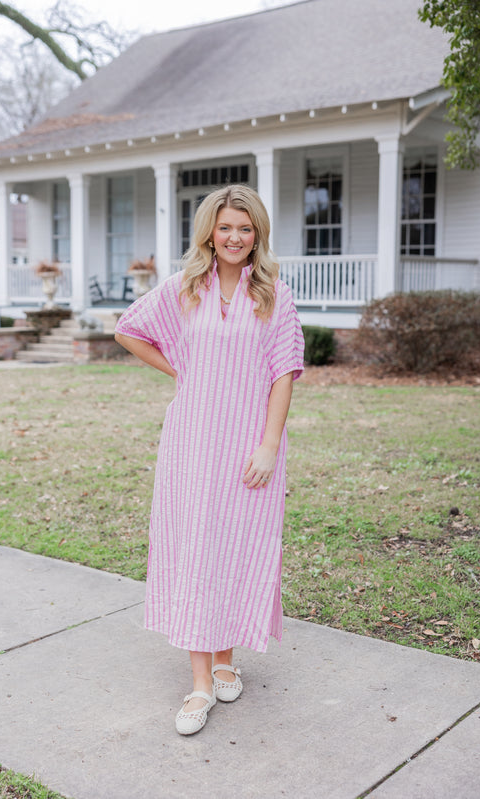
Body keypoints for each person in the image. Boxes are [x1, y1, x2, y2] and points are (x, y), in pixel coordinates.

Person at [115, 184, 305, 735]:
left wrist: (269, 444)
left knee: (235, 544)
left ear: (257, 234)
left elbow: (284, 374)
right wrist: (181, 369)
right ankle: (201, 682)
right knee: (197, 545)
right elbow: (128, 329)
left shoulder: (274, 295)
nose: (235, 237)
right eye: (225, 227)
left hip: (249, 447)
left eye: (245, 229)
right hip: (193, 443)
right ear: (209, 233)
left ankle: (226, 658)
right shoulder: (184, 289)